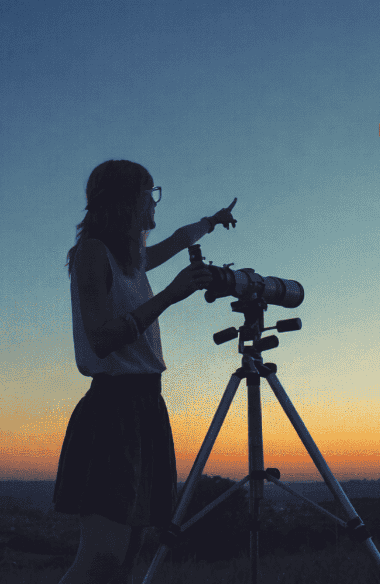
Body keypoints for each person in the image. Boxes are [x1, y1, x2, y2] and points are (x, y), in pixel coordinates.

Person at [55, 159, 237, 584]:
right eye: (149, 193)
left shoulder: (131, 258)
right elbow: (101, 338)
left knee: (125, 560)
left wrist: (211, 222)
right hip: (113, 409)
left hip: (145, 406)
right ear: (125, 201)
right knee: (102, 558)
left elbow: (176, 240)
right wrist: (172, 294)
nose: (155, 202)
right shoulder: (93, 254)